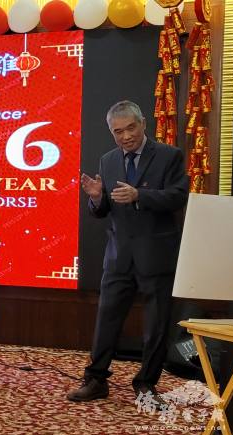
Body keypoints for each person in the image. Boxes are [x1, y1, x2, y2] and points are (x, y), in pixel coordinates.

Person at [67, 100, 188, 403]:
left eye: (131, 128)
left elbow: (177, 197)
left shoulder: (169, 155)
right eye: (118, 132)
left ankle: (146, 384)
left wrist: (139, 195)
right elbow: (102, 210)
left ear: (143, 124)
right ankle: (96, 379)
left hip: (156, 253)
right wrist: (97, 198)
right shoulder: (108, 160)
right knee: (106, 318)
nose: (126, 136)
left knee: (156, 324)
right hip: (118, 253)